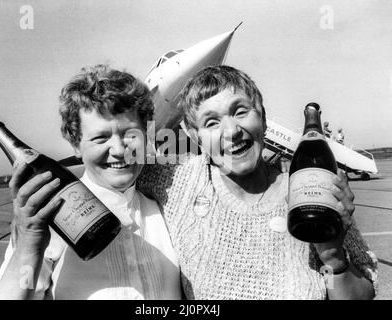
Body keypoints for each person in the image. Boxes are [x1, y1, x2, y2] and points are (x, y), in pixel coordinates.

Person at [138, 65, 378, 299]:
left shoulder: (310, 191)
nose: (231, 131)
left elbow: (361, 295)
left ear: (262, 119)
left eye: (241, 111)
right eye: (211, 123)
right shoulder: (178, 181)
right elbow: (110, 163)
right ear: (195, 137)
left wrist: (333, 258)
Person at [0, 64, 181, 300]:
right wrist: (29, 244)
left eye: (131, 134)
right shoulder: (51, 218)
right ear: (76, 145)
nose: (119, 150)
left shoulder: (168, 210)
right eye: (100, 138)